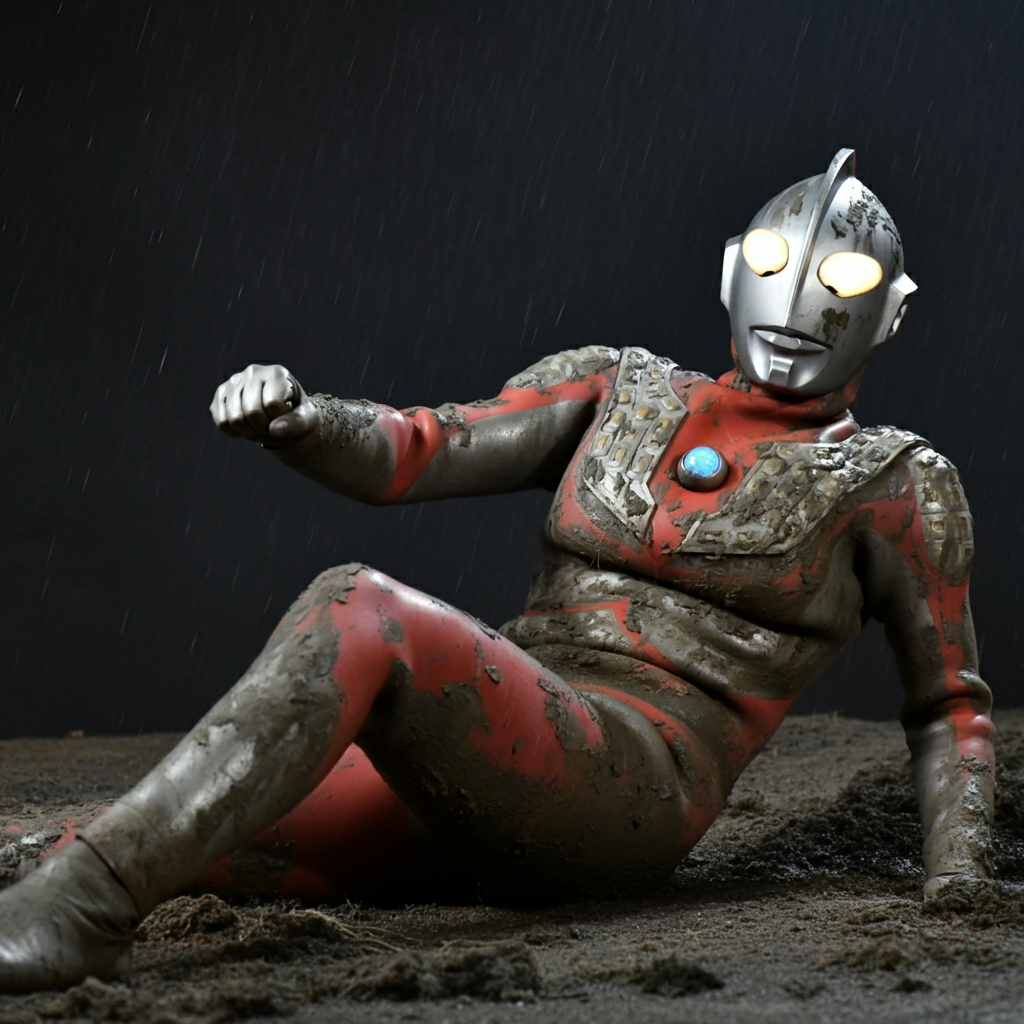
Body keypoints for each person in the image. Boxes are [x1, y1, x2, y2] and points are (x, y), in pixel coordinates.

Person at [0, 149, 994, 993]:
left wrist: (958, 880)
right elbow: (419, 450)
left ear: (889, 314)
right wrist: (303, 420)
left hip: (627, 792)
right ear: (734, 269)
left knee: (365, 611)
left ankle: (83, 916)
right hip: (493, 749)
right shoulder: (621, 386)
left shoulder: (898, 483)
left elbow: (949, 703)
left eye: (845, 281)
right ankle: (73, 892)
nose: (801, 300)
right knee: (127, 838)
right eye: (775, 262)